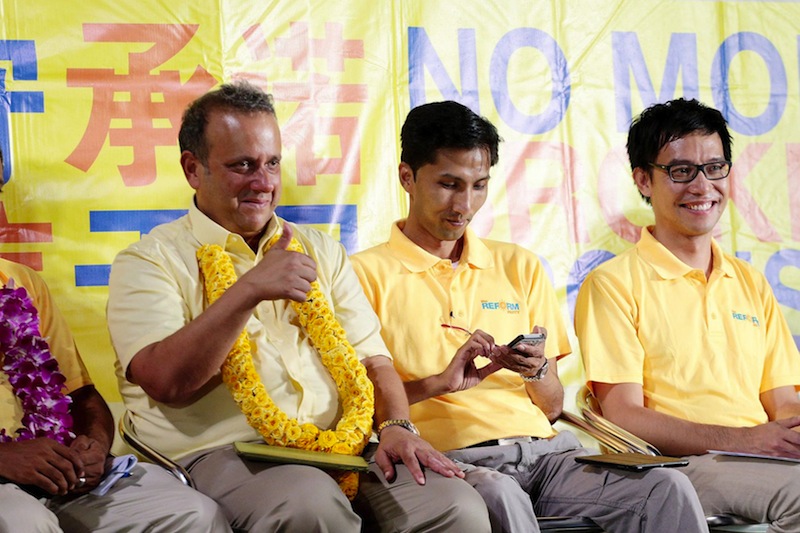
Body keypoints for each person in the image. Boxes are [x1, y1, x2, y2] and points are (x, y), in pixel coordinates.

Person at [106, 81, 489, 532]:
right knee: (308, 500)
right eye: (242, 165)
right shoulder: (150, 260)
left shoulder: (319, 250)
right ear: (193, 168)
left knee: (452, 503)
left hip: (343, 448)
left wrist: (397, 426)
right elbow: (166, 383)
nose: (263, 182)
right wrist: (247, 291)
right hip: (222, 453)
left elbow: (373, 360)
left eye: (271, 163)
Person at [350, 100, 707, 533]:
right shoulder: (361, 274)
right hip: (452, 459)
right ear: (407, 177)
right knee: (502, 497)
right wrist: (441, 383)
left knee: (666, 487)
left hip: (547, 456)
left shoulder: (520, 266)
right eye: (449, 184)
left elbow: (553, 406)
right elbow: (356, 414)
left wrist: (536, 371)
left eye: (479, 185)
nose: (464, 204)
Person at [574, 97, 800, 531]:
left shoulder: (750, 281)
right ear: (643, 180)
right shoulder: (613, 283)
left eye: (715, 168)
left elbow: (783, 401)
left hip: (759, 457)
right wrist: (746, 440)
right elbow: (622, 413)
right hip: (679, 468)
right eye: (681, 172)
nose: (702, 187)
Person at [0, 144, 228, 533]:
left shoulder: (19, 282)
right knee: (25, 523)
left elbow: (82, 397)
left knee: (193, 514)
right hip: (13, 488)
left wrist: (92, 447)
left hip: (54, 474)